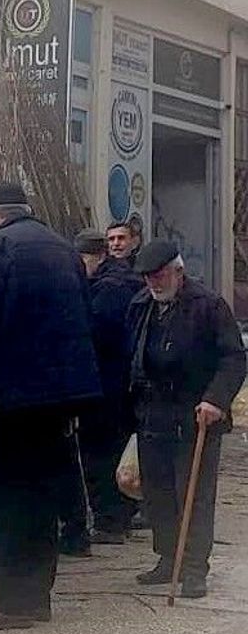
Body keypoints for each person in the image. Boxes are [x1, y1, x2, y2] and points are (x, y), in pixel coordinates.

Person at [0, 182, 101, 631]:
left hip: (11, 397)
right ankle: (37, 597)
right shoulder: (63, 248)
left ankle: (10, 601)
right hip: (59, 398)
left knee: (6, 498)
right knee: (41, 497)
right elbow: (85, 317)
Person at [125, 240, 245, 599]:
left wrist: (215, 400)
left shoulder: (208, 305)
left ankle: (193, 569)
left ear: (179, 271)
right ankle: (168, 558)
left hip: (195, 414)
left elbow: (233, 358)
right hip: (153, 413)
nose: (153, 282)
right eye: (148, 277)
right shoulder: (141, 305)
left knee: (193, 495)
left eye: (159, 275)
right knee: (158, 493)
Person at [76, 229, 146, 544]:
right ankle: (124, 512)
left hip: (106, 382)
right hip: (126, 381)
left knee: (100, 451)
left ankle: (110, 520)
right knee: (118, 447)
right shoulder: (128, 280)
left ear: (94, 257)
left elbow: (96, 335)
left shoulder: (107, 290)